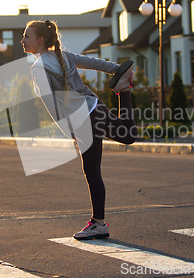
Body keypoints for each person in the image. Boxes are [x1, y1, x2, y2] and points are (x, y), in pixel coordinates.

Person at [21, 20, 137, 240]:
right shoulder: (63, 56)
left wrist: (69, 131)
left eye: (26, 36)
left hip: (83, 120)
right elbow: (94, 63)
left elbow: (52, 105)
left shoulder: (38, 67)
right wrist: (118, 71)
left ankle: (98, 223)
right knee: (128, 135)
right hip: (95, 106)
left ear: (40, 40)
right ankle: (123, 91)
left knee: (92, 170)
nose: (22, 40)